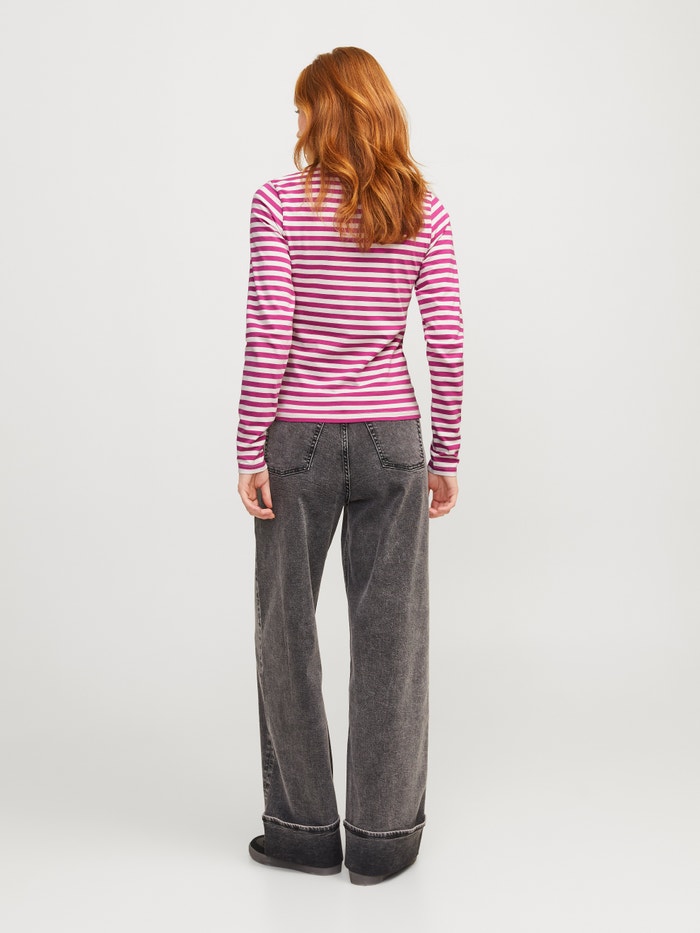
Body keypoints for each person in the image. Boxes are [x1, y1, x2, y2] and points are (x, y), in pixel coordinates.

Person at [236, 46, 463, 885]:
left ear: (327, 112)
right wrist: (447, 450)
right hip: (393, 440)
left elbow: (271, 329)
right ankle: (382, 839)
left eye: (303, 106)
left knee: (285, 632)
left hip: (296, 439)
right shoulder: (422, 209)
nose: (296, 121)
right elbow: (446, 337)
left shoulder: (277, 204)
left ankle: (302, 830)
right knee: (393, 638)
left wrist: (248, 446)